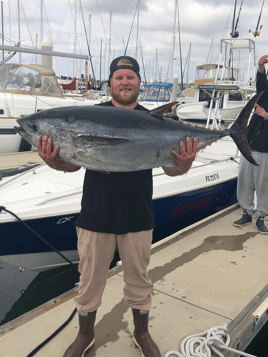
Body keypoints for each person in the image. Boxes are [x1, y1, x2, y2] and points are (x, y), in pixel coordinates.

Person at [37, 56, 198, 357]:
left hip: (138, 215)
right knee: (89, 282)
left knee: (139, 280)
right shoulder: (88, 117)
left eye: (130, 77)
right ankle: (85, 336)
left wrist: (185, 164)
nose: (125, 82)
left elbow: (172, 170)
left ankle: (142, 332)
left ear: (139, 82)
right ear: (110, 83)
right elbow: (74, 163)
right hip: (95, 214)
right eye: (119, 77)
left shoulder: (155, 120)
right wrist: (56, 162)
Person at [233, 54, 268, 234]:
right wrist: (261, 66)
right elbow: (261, 83)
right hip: (248, 146)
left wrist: (265, 115)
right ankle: (246, 212)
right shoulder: (265, 93)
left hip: (265, 150)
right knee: (245, 182)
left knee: (263, 186)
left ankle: (261, 216)